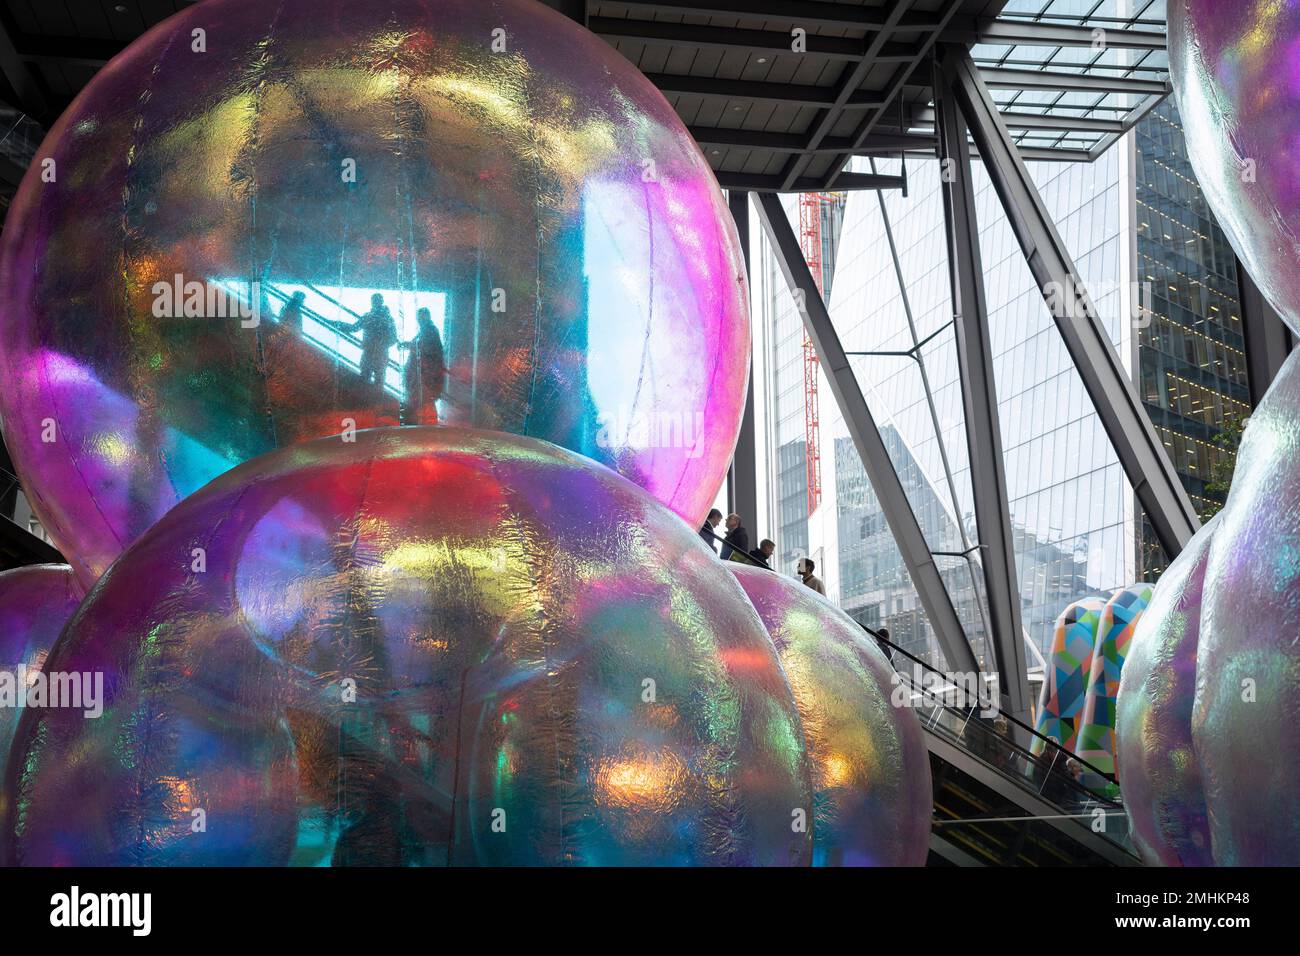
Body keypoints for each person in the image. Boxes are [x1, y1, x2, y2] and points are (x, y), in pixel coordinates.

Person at [331, 293, 398, 391]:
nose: (375, 303)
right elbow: (393, 338)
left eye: (376, 300)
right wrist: (381, 345)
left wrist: (337, 324)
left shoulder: (369, 317)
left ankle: (367, 401)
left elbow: (353, 328)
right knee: (377, 381)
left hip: (371, 352)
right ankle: (375, 402)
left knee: (366, 379)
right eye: (375, 301)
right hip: (379, 353)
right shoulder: (387, 319)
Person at [399, 307, 446, 424]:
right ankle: (426, 427)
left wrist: (409, 346)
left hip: (426, 375)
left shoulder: (430, 331)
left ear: (427, 317)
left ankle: (429, 428)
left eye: (422, 317)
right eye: (419, 317)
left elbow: (427, 349)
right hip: (423, 375)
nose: (419, 319)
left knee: (425, 402)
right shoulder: (425, 331)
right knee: (423, 402)